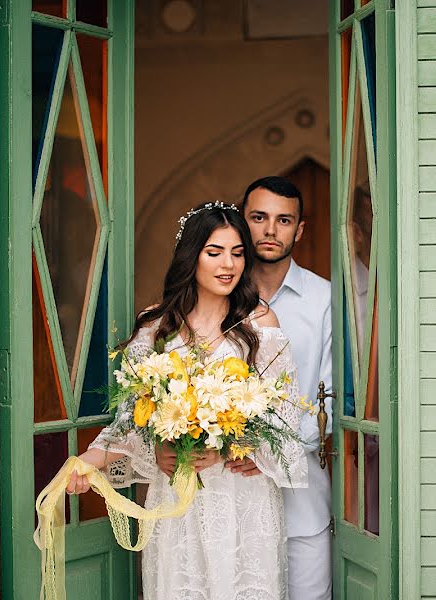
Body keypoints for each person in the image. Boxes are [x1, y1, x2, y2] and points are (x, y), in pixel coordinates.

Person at [66, 202, 308, 600]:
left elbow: (284, 420)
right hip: (178, 500)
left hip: (241, 501)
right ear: (191, 256)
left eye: (237, 252)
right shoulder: (156, 327)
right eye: (214, 252)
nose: (228, 264)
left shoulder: (260, 326)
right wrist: (90, 460)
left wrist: (232, 448)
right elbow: (132, 419)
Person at [238, 176, 333, 600]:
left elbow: (328, 401)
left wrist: (269, 453)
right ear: (241, 222)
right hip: (229, 492)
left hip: (302, 502)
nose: (270, 230)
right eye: (259, 218)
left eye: (283, 220)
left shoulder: (325, 299)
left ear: (300, 229)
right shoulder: (216, 296)